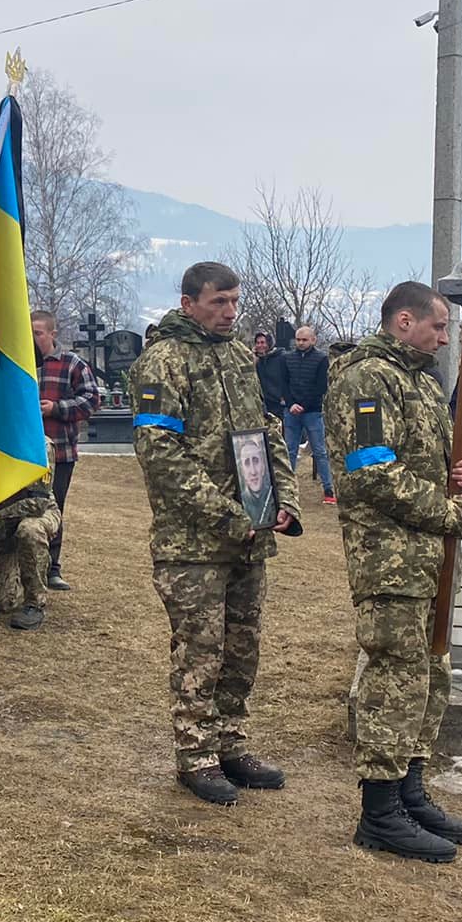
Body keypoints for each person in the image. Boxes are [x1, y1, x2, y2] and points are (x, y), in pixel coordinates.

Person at [328, 282, 462, 863]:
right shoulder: (367, 379)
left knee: (428, 674)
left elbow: (438, 460)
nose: (445, 339)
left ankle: (410, 790)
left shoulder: (421, 381)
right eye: (439, 327)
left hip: (430, 554)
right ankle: (380, 811)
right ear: (403, 321)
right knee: (394, 675)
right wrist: (448, 511)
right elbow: (372, 472)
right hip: (389, 556)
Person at [129, 261, 299, 806]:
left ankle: (230, 741)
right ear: (188, 303)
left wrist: (283, 500)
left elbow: (264, 430)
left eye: (234, 301)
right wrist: (230, 514)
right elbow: (161, 455)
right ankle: (196, 753)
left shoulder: (237, 354)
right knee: (202, 647)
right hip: (193, 543)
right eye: (218, 302)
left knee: (242, 646)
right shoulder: (162, 362)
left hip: (249, 535)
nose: (229, 312)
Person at [32, 310, 100, 592]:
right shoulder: (20, 363)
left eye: (38, 333)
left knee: (54, 507)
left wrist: (57, 408)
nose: (33, 339)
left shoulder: (72, 364)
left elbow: (91, 400)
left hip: (60, 452)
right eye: (29, 333)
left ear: (52, 334)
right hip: (26, 450)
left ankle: (52, 568)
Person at [0, 478, 60, 630]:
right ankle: (30, 563)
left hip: (39, 511)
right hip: (3, 514)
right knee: (0, 603)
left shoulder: (40, 453)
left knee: (29, 530)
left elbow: (38, 503)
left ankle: (34, 602)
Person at [281, 324, 335, 505]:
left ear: (313, 340)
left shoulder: (321, 359)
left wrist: (302, 405)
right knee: (290, 450)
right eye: (298, 339)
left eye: (304, 339)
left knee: (319, 451)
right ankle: (287, 490)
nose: (301, 343)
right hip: (291, 412)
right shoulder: (287, 358)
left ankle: (328, 489)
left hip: (312, 411)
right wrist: (291, 404)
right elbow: (283, 384)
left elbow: (320, 387)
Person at [253, 331, 288, 425]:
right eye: (257, 343)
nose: (260, 345)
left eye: (263, 342)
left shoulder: (282, 357)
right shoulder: (258, 361)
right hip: (266, 405)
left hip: (282, 404)